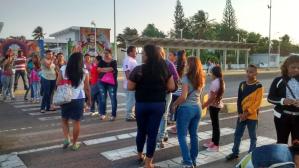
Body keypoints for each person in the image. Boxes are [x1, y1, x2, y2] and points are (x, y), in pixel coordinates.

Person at [128, 44, 175, 168]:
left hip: (141, 105)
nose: (141, 55)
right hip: (157, 105)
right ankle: (148, 163)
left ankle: (139, 155)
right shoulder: (164, 68)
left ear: (148, 55)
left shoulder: (138, 69)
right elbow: (171, 87)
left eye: (143, 53)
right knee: (153, 134)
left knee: (141, 131)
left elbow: (130, 87)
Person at [172, 56, 205, 168]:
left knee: (181, 135)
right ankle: (193, 159)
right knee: (194, 135)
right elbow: (200, 96)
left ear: (190, 65)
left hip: (186, 109)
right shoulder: (201, 78)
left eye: (187, 63)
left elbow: (183, 97)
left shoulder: (186, 78)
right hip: (197, 108)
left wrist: (174, 104)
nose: (185, 65)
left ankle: (187, 161)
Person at [226, 65, 264, 161]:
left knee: (253, 136)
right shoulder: (242, 84)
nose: (248, 74)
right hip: (241, 115)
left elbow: (257, 103)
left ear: (256, 73)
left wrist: (246, 113)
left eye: (251, 72)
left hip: (252, 116)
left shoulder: (259, 86)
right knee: (237, 134)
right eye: (247, 71)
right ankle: (235, 152)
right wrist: (240, 113)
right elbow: (239, 100)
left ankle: (251, 155)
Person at [56, 52, 91, 151]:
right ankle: (75, 144)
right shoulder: (84, 71)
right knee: (76, 122)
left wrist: (66, 82)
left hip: (65, 98)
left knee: (64, 119)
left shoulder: (63, 69)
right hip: (79, 98)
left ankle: (67, 138)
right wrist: (89, 100)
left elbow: (57, 82)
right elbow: (87, 88)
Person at [267, 55, 299, 145]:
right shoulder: (278, 80)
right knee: (281, 143)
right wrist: (283, 101)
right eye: (293, 67)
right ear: (286, 67)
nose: (296, 70)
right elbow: (270, 97)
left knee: (297, 146)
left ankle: (294, 159)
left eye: (298, 68)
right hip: (282, 118)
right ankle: (283, 159)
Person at [156, 47, 179, 149]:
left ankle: (161, 137)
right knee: (162, 115)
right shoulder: (167, 64)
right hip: (161, 93)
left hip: (161, 93)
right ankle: (163, 134)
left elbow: (176, 77)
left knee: (162, 115)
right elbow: (176, 77)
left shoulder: (168, 64)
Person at [202, 66, 225, 152]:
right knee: (215, 125)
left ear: (214, 74)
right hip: (217, 105)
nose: (210, 75)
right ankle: (213, 142)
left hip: (214, 106)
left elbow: (211, 98)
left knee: (215, 126)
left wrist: (204, 105)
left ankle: (216, 145)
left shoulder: (214, 83)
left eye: (211, 73)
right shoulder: (221, 81)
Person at [168, 50, 187, 134]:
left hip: (175, 90)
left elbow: (171, 77)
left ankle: (176, 126)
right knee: (181, 110)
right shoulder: (186, 66)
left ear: (177, 56)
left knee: (174, 107)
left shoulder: (174, 65)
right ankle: (179, 126)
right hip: (183, 90)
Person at [97, 49, 118, 121]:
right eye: (104, 53)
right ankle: (103, 114)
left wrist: (103, 69)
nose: (105, 54)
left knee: (113, 99)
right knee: (103, 98)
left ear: (110, 53)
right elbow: (98, 69)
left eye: (107, 53)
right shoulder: (101, 61)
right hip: (102, 82)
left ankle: (113, 115)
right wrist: (107, 69)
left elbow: (112, 68)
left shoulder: (114, 61)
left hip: (112, 82)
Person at [123, 46, 138, 121]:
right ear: (130, 52)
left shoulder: (132, 60)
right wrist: (132, 82)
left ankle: (132, 114)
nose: (136, 53)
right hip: (130, 84)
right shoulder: (128, 60)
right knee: (130, 100)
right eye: (135, 51)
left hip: (133, 84)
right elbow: (127, 72)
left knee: (133, 100)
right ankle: (129, 115)